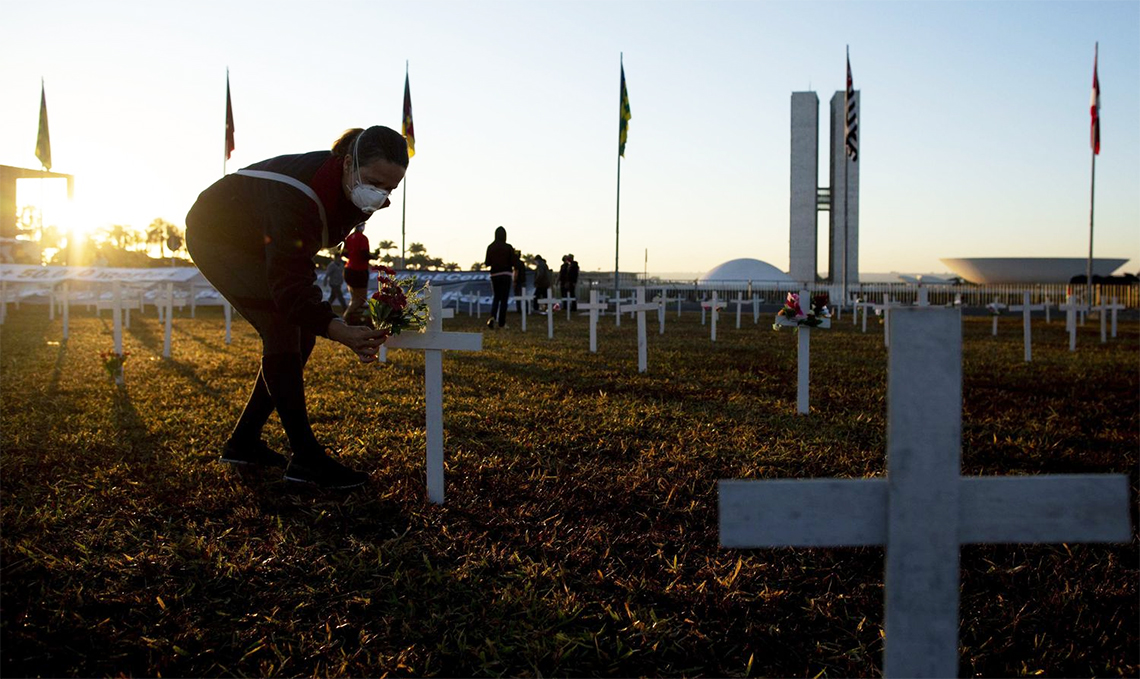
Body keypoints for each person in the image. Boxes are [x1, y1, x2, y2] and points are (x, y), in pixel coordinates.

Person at [185, 125, 405, 489]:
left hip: (259, 238)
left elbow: (332, 252)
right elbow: (290, 287)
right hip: (217, 233)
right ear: (348, 163)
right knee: (282, 325)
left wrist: (346, 309)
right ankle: (305, 458)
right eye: (375, 181)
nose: (380, 194)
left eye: (390, 188)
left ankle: (244, 443)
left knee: (302, 338)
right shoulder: (297, 196)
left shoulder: (354, 187)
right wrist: (339, 330)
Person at [484, 226, 514, 329]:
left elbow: (487, 262)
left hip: (495, 275)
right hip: (506, 274)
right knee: (504, 299)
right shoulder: (508, 247)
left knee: (496, 297)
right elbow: (513, 261)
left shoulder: (490, 247)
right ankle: (502, 322)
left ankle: (492, 317)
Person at [341, 223, 371, 323]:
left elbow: (343, 253)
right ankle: (345, 318)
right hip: (359, 271)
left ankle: (351, 320)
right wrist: (374, 257)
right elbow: (364, 253)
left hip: (348, 270)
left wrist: (353, 257)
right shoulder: (363, 238)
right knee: (361, 299)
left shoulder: (349, 238)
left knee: (354, 298)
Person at [512, 250, 528, 314]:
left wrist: (514, 281)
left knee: (518, 296)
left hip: (518, 282)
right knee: (523, 296)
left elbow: (516, 272)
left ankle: (519, 309)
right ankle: (526, 309)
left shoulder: (516, 263)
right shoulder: (522, 263)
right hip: (522, 281)